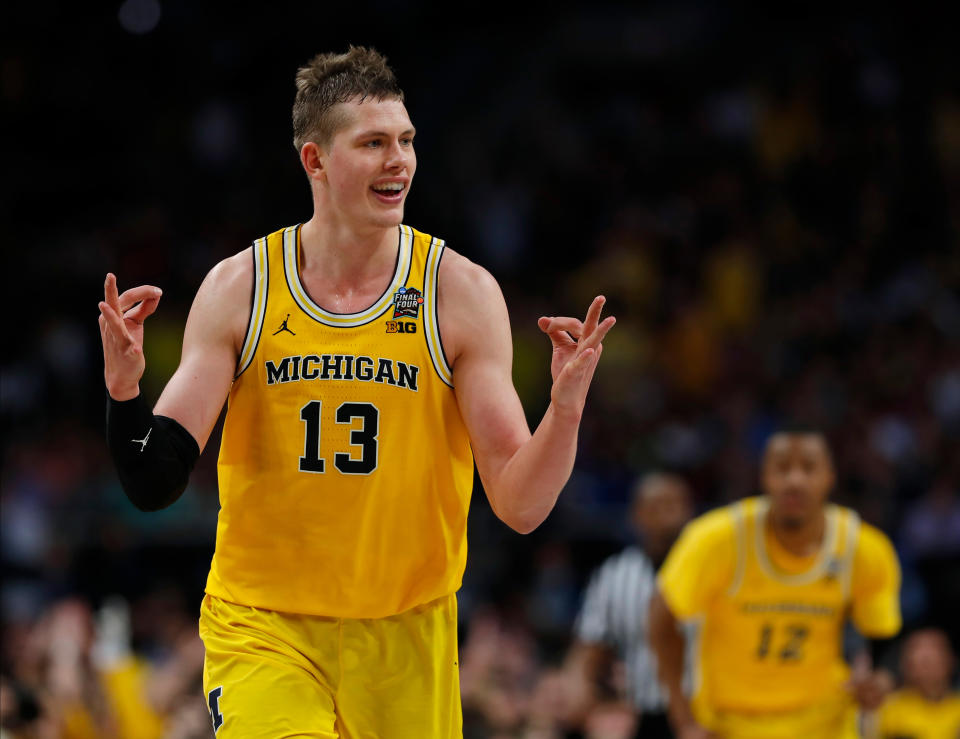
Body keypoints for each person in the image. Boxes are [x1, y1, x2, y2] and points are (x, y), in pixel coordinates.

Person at [97, 45, 614, 738]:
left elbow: (520, 504)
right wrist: (124, 391)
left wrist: (566, 408)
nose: (399, 160)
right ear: (315, 160)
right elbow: (154, 478)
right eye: (373, 143)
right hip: (264, 624)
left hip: (406, 631)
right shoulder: (241, 287)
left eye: (405, 141)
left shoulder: (458, 292)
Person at [649, 427, 902, 739]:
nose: (794, 480)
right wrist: (683, 720)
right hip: (731, 724)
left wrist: (881, 678)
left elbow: (884, 637)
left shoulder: (864, 548)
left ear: (829, 477)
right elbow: (661, 614)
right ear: (764, 477)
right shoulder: (715, 539)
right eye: (781, 468)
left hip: (825, 722)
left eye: (809, 468)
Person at [566, 472, 694, 738]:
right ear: (636, 515)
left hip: (701, 711)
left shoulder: (710, 569)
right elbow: (589, 646)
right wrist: (577, 686)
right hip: (641, 710)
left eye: (673, 505)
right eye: (655, 507)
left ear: (688, 511)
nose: (665, 516)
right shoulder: (615, 575)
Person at [868, 628, 960, 739]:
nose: (926, 670)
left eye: (929, 661)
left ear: (950, 661)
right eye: (920, 662)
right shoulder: (887, 708)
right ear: (905, 665)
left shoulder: (956, 706)